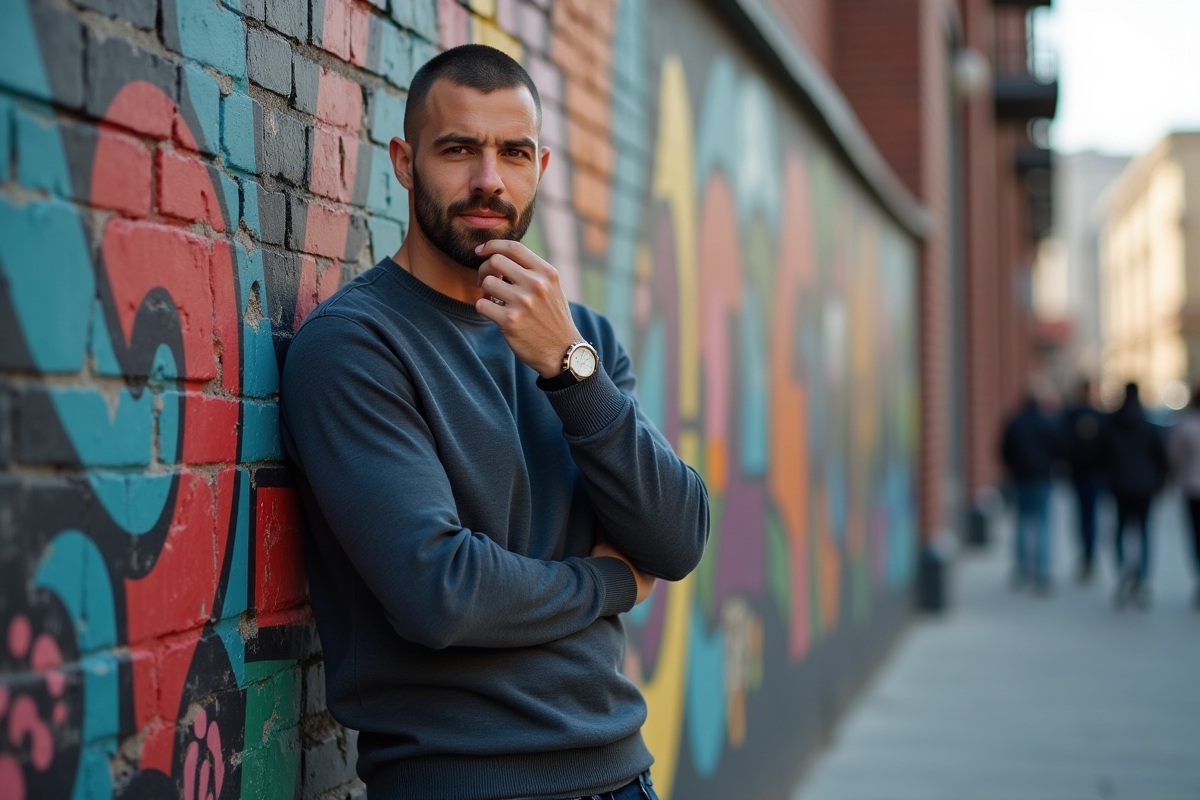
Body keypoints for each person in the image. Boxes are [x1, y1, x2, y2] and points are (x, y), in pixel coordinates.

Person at [279, 45, 709, 800]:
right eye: (459, 149)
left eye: (513, 152)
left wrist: (568, 369)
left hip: (624, 775)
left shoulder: (582, 343)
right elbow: (441, 591)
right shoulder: (355, 346)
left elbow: (676, 539)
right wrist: (609, 580)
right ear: (405, 161)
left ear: (540, 165)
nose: (489, 179)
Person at [1099, 383, 1167, 609]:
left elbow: (1101, 458)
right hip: (1144, 487)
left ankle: (1123, 573)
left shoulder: (1111, 426)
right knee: (1144, 533)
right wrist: (1159, 485)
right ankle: (1142, 580)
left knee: (1120, 531)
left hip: (1120, 487)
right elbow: (1161, 459)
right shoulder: (1148, 427)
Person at [1000, 384, 1065, 594]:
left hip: (1020, 479)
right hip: (1041, 479)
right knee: (1043, 524)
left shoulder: (1015, 422)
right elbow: (1058, 449)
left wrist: (1014, 468)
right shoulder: (1047, 422)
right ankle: (1042, 572)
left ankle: (1021, 570)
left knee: (1021, 524)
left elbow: (1003, 450)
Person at [1061, 379, 1106, 583]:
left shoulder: (1072, 415)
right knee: (1088, 516)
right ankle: (1088, 555)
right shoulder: (1097, 416)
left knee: (1084, 516)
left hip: (1083, 474)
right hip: (1089, 474)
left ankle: (1087, 555)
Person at [1168, 384, 1200, 609]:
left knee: (1197, 538)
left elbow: (1175, 457)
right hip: (1192, 487)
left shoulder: (1187, 424)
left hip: (1193, 489)